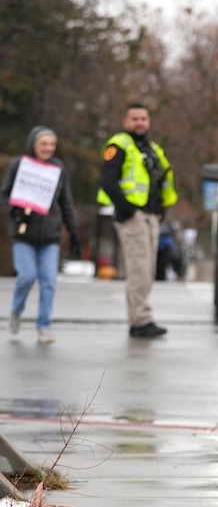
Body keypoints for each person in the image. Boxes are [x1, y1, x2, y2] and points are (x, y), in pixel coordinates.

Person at [97, 103, 178, 338]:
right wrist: (128, 209)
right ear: (126, 122)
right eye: (134, 119)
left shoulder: (153, 148)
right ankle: (140, 321)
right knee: (139, 270)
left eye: (143, 118)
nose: (139, 123)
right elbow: (108, 181)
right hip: (132, 216)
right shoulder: (119, 145)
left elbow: (163, 180)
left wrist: (161, 208)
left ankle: (140, 319)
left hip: (150, 216)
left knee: (148, 270)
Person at [0, 126, 81, 343]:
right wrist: (14, 212)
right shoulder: (19, 165)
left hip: (50, 235)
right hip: (24, 234)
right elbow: (4, 196)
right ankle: (16, 311)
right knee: (26, 276)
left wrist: (73, 230)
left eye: (52, 144)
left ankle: (44, 325)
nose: (48, 148)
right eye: (43, 143)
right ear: (33, 144)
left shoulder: (58, 169)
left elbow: (66, 202)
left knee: (49, 281)